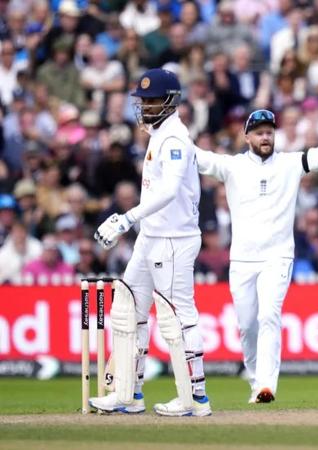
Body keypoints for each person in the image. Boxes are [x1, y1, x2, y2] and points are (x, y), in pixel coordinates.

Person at [194, 109, 318, 403]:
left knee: (269, 315)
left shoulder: (290, 163)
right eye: (260, 132)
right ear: (247, 136)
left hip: (278, 256)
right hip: (242, 260)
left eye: (269, 132)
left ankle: (266, 385)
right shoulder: (232, 166)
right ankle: (255, 381)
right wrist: (163, 135)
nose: (265, 137)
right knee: (247, 326)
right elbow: (198, 157)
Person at [89, 68, 210, 417]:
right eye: (142, 101)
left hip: (173, 239)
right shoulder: (158, 135)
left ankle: (195, 399)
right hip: (152, 236)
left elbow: (170, 191)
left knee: (178, 316)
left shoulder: (174, 139)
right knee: (128, 311)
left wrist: (126, 218)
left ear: (171, 102)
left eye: (152, 100)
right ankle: (129, 392)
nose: (144, 107)